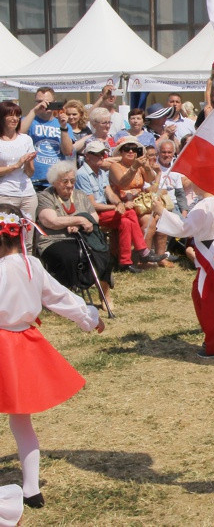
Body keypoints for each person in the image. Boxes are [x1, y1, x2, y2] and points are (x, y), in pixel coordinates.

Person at [0, 205, 104, 510]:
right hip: (22, 345)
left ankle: (30, 487)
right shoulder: (31, 265)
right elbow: (59, 297)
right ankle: (32, 489)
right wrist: (89, 317)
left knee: (19, 419)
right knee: (21, 420)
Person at [152, 188, 214, 358]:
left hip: (209, 255)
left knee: (209, 300)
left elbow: (184, 228)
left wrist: (162, 212)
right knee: (202, 294)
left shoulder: (205, 205)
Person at [75, 141, 164, 273]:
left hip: (109, 209)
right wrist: (118, 206)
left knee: (126, 221)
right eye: (96, 154)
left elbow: (110, 194)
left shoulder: (99, 172)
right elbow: (92, 205)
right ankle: (143, 252)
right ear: (87, 156)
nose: (101, 156)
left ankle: (125, 262)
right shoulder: (82, 174)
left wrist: (118, 203)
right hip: (91, 214)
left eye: (102, 153)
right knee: (130, 214)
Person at [35, 161, 112, 304]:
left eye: (72, 181)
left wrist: (79, 225)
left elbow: (94, 217)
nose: (70, 185)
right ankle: (65, 297)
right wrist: (78, 220)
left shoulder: (80, 195)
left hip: (82, 237)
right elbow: (51, 221)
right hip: (54, 239)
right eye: (65, 181)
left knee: (103, 252)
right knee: (70, 256)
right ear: (54, 182)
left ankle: (105, 294)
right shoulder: (45, 196)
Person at [18, 87, 74, 191]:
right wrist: (34, 111)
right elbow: (19, 133)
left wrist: (63, 127)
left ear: (54, 103)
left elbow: (67, 151)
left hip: (57, 181)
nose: (44, 105)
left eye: (48, 102)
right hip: (34, 180)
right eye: (39, 102)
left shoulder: (63, 124)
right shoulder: (29, 120)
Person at [0, 101, 37, 253]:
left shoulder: (26, 139)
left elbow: (30, 172)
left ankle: (25, 271)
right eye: (11, 115)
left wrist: (28, 163)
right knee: (6, 238)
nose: (15, 119)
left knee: (27, 238)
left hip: (27, 194)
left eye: (17, 115)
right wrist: (16, 165)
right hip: (6, 193)